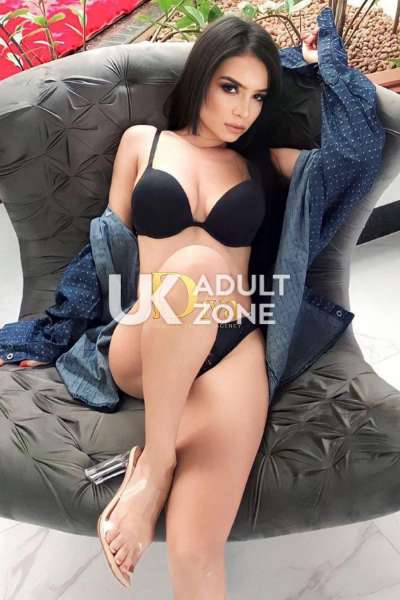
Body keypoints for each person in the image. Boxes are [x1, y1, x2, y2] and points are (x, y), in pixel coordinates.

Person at [0, 13, 342, 598]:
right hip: (147, 336)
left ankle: (159, 471)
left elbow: (351, 151)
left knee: (196, 551)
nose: (243, 110)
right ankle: (156, 464)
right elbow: (104, 247)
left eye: (258, 96)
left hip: (232, 347)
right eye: (229, 87)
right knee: (195, 266)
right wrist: (55, 331)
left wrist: (316, 64)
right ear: (201, 76)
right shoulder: (144, 143)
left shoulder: (264, 162)